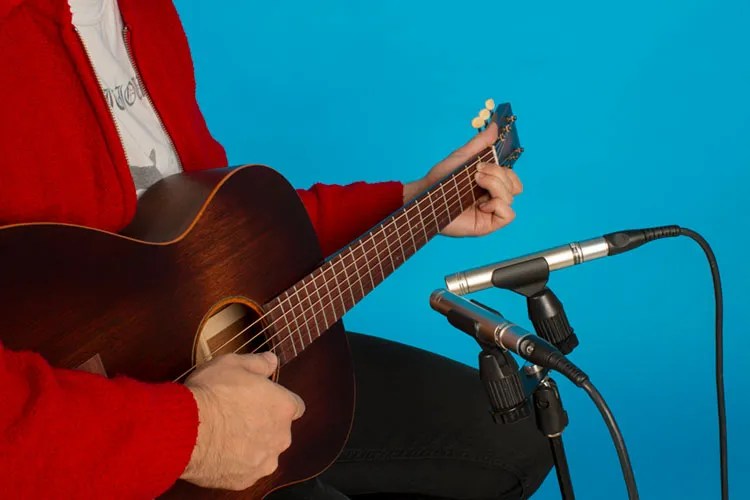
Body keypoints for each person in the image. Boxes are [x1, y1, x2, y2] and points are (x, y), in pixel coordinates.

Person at [0, 0, 552, 498]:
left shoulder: (144, 13)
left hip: (222, 360)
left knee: (514, 435)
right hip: (91, 443)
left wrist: (414, 204)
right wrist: (194, 434)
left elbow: (215, 230)